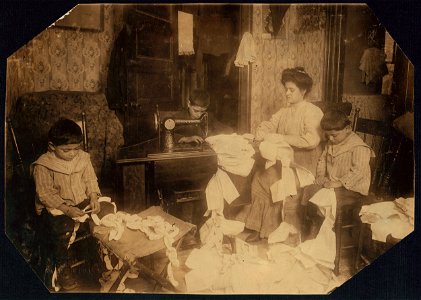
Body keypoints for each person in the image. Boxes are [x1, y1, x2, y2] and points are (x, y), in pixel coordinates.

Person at [244, 67, 324, 242]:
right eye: (286, 89)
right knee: (260, 178)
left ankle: (286, 232)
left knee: (277, 182)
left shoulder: (312, 111)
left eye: (291, 90)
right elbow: (269, 124)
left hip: (304, 166)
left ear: (303, 91)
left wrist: (282, 137)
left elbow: (311, 140)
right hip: (285, 163)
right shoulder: (284, 111)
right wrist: (262, 130)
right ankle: (262, 228)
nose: (287, 93)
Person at [32, 119, 101, 290]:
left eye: (76, 148)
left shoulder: (83, 158)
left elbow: (90, 179)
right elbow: (45, 194)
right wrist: (67, 209)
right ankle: (63, 267)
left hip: (81, 201)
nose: (72, 153)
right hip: (57, 206)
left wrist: (93, 197)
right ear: (52, 146)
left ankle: (94, 258)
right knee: (62, 230)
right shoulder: (43, 165)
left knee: (103, 219)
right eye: (66, 150)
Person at [301, 109, 374, 239]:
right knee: (310, 189)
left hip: (353, 190)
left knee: (325, 196)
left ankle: (325, 230)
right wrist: (320, 176)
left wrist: (339, 183)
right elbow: (322, 160)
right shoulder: (331, 143)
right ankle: (315, 223)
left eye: (334, 135)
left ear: (348, 129)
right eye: (328, 135)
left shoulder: (359, 147)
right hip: (333, 184)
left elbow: (359, 172)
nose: (330, 138)